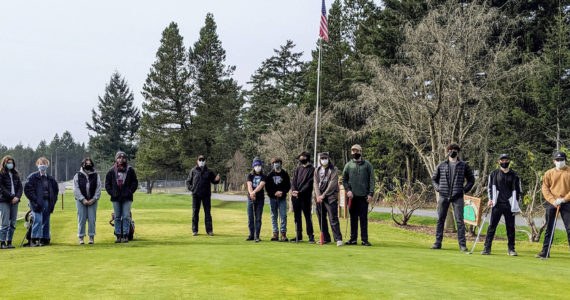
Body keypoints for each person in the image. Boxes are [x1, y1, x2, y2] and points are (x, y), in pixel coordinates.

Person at [430, 143, 475, 252]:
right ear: (447, 151)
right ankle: (437, 243)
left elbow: (471, 180)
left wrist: (464, 190)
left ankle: (462, 245)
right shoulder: (441, 165)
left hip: (457, 196)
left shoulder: (463, 165)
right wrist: (438, 188)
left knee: (460, 221)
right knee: (440, 219)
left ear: (457, 152)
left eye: (455, 150)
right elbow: (434, 179)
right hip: (443, 195)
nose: (453, 151)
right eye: (451, 149)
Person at [482, 153, 521, 256]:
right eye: (502, 161)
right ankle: (487, 248)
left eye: (506, 160)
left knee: (510, 228)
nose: (504, 162)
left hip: (509, 205)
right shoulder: (493, 174)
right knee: (492, 227)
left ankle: (511, 249)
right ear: (498, 162)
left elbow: (518, 190)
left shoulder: (515, 175)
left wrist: (516, 203)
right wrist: (490, 199)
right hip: (497, 204)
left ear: (509, 161)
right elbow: (490, 188)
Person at [536, 151, 570, 258]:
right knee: (549, 228)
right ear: (554, 161)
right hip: (552, 203)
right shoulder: (549, 173)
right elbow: (545, 188)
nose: (560, 162)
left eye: (562, 160)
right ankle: (545, 251)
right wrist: (552, 200)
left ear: (565, 160)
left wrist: (564, 199)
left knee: (569, 228)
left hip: (567, 202)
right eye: (558, 160)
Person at [342, 145, 375, 246]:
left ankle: (364, 240)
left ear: (361, 152)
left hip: (364, 197)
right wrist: (348, 190)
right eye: (353, 151)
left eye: (356, 151)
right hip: (352, 196)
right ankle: (353, 239)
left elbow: (372, 180)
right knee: (353, 218)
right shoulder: (348, 165)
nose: (354, 153)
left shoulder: (367, 165)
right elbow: (344, 180)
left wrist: (370, 193)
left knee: (363, 218)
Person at [24, 157, 59, 247]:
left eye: (44, 163)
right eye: (40, 163)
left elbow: (55, 191)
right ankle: (34, 239)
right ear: (37, 165)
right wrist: (35, 200)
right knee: (38, 220)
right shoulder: (32, 177)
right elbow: (28, 190)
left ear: (47, 165)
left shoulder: (50, 179)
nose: (42, 165)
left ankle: (44, 239)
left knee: (46, 221)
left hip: (47, 202)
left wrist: (53, 201)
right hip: (36, 202)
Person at [105, 151, 138, 243]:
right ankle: (118, 235)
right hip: (116, 198)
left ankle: (125, 235)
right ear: (116, 159)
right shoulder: (112, 171)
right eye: (119, 158)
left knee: (126, 216)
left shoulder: (130, 170)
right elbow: (107, 184)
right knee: (117, 217)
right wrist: (112, 193)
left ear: (125, 159)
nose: (121, 159)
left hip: (127, 197)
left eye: (123, 158)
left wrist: (130, 191)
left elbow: (135, 182)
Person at [185, 155, 220, 236]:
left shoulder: (209, 171)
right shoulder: (193, 170)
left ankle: (209, 231)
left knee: (207, 213)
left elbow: (214, 181)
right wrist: (192, 189)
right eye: (200, 160)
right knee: (195, 212)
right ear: (197, 161)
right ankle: (194, 230)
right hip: (196, 195)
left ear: (205, 161)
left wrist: (217, 179)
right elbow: (188, 182)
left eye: (203, 160)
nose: (201, 161)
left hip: (206, 195)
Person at [314, 152, 343, 246]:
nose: (324, 160)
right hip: (319, 198)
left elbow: (333, 184)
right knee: (321, 218)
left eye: (325, 158)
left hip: (330, 197)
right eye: (322, 158)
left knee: (333, 218)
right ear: (320, 160)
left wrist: (324, 195)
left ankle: (338, 238)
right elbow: (315, 183)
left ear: (328, 158)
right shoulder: (317, 170)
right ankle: (325, 238)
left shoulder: (333, 169)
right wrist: (319, 195)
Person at [73, 157, 102, 245]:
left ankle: (91, 237)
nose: (88, 165)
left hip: (93, 201)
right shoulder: (77, 175)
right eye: (86, 163)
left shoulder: (96, 175)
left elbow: (98, 188)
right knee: (81, 219)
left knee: (92, 219)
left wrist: (94, 199)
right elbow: (76, 189)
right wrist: (83, 199)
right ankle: (81, 237)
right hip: (81, 201)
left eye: (90, 163)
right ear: (83, 165)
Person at [291, 152, 315, 243]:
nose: (301, 159)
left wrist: (300, 192)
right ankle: (298, 235)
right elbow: (293, 181)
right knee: (297, 217)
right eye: (300, 157)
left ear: (307, 158)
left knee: (307, 217)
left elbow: (309, 183)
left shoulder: (312, 170)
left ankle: (310, 236)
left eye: (303, 157)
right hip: (295, 197)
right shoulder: (298, 169)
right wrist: (294, 190)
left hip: (305, 197)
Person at [265, 157, 291, 242]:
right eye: (274, 163)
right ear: (272, 164)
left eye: (277, 162)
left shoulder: (285, 174)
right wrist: (274, 193)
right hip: (273, 198)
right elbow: (268, 187)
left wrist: (282, 192)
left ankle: (283, 234)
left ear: (280, 163)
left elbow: (288, 186)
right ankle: (275, 233)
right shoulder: (270, 175)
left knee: (283, 215)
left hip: (282, 198)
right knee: (274, 216)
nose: (276, 164)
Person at [0, 156, 23, 249]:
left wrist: (17, 197)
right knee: (5, 223)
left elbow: (20, 187)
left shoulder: (15, 174)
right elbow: (1, 188)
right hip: (4, 200)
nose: (10, 164)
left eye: (12, 163)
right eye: (8, 162)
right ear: (4, 163)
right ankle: (2, 242)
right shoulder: (1, 174)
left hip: (15, 201)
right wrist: (11, 196)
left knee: (12, 223)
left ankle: (9, 242)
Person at [246, 158, 266, 242]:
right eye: (256, 165)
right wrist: (251, 193)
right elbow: (249, 185)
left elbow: (261, 185)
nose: (257, 167)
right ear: (253, 166)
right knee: (250, 218)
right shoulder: (250, 175)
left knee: (258, 218)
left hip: (260, 198)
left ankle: (257, 236)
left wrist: (254, 192)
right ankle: (251, 234)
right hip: (250, 198)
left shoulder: (264, 176)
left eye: (259, 165)